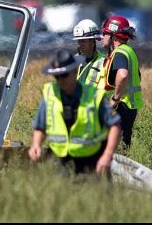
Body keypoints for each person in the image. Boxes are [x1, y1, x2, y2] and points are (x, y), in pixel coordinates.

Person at [28, 49, 121, 177]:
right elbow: (40, 126)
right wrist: (36, 145)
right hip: (61, 163)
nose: (61, 80)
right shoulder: (50, 95)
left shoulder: (94, 95)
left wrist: (107, 155)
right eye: (57, 76)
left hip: (92, 162)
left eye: (64, 75)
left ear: (75, 71)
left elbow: (114, 126)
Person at [100, 15, 143, 149]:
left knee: (113, 147)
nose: (102, 37)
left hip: (121, 107)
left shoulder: (119, 53)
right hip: (130, 107)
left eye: (105, 33)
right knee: (124, 145)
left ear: (113, 35)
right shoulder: (129, 51)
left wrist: (115, 98)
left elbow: (123, 75)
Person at [72, 18, 107, 86]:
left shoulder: (104, 62)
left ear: (92, 41)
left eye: (82, 41)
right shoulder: (73, 60)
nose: (79, 44)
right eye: (78, 41)